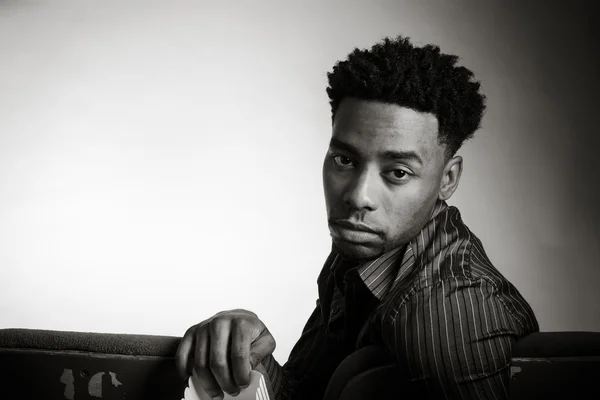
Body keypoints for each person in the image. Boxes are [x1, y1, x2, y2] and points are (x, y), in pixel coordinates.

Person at [175, 35, 539, 400]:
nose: (357, 197)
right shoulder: (368, 250)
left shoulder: (446, 311)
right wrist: (249, 355)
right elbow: (309, 393)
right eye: (345, 161)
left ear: (448, 178)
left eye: (398, 172)